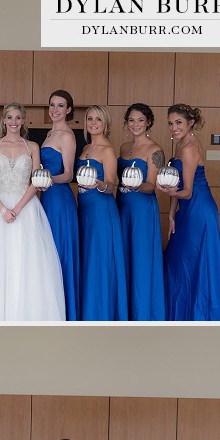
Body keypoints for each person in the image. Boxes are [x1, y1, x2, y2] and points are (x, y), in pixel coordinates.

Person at [0, 103, 65, 321]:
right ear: (4, 120)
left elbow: (36, 181)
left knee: (26, 260)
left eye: (18, 117)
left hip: (26, 206)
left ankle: (25, 315)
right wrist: (2, 209)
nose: (14, 122)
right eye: (10, 117)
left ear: (23, 120)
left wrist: (16, 209)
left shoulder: (33, 147)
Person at [159, 104, 220, 320]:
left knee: (192, 260)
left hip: (199, 209)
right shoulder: (181, 144)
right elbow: (177, 185)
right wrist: (171, 214)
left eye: (178, 122)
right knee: (177, 259)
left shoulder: (189, 148)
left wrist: (171, 192)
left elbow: (186, 191)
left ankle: (197, 313)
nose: (173, 127)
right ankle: (181, 311)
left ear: (190, 123)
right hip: (186, 210)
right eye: (170, 123)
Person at [78, 105, 128, 320]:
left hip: (101, 211)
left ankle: (101, 312)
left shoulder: (108, 150)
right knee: (88, 259)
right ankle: (89, 308)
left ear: (105, 123)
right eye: (90, 119)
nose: (93, 123)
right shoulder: (85, 148)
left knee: (99, 260)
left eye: (98, 119)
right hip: (85, 209)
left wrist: (99, 185)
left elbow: (111, 185)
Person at [117, 104, 166, 320]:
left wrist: (135, 186)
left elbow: (151, 185)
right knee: (124, 256)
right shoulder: (123, 147)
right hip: (122, 207)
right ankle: (125, 309)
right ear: (127, 123)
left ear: (148, 122)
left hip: (142, 210)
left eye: (140, 120)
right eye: (131, 120)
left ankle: (143, 312)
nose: (135, 124)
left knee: (141, 259)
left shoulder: (155, 150)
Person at [40, 90, 81, 319]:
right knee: (47, 252)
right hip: (46, 199)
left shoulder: (67, 135)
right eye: (52, 105)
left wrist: (46, 180)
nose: (55, 110)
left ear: (68, 110)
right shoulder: (48, 134)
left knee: (59, 250)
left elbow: (68, 174)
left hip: (60, 200)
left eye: (60, 105)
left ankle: (64, 312)